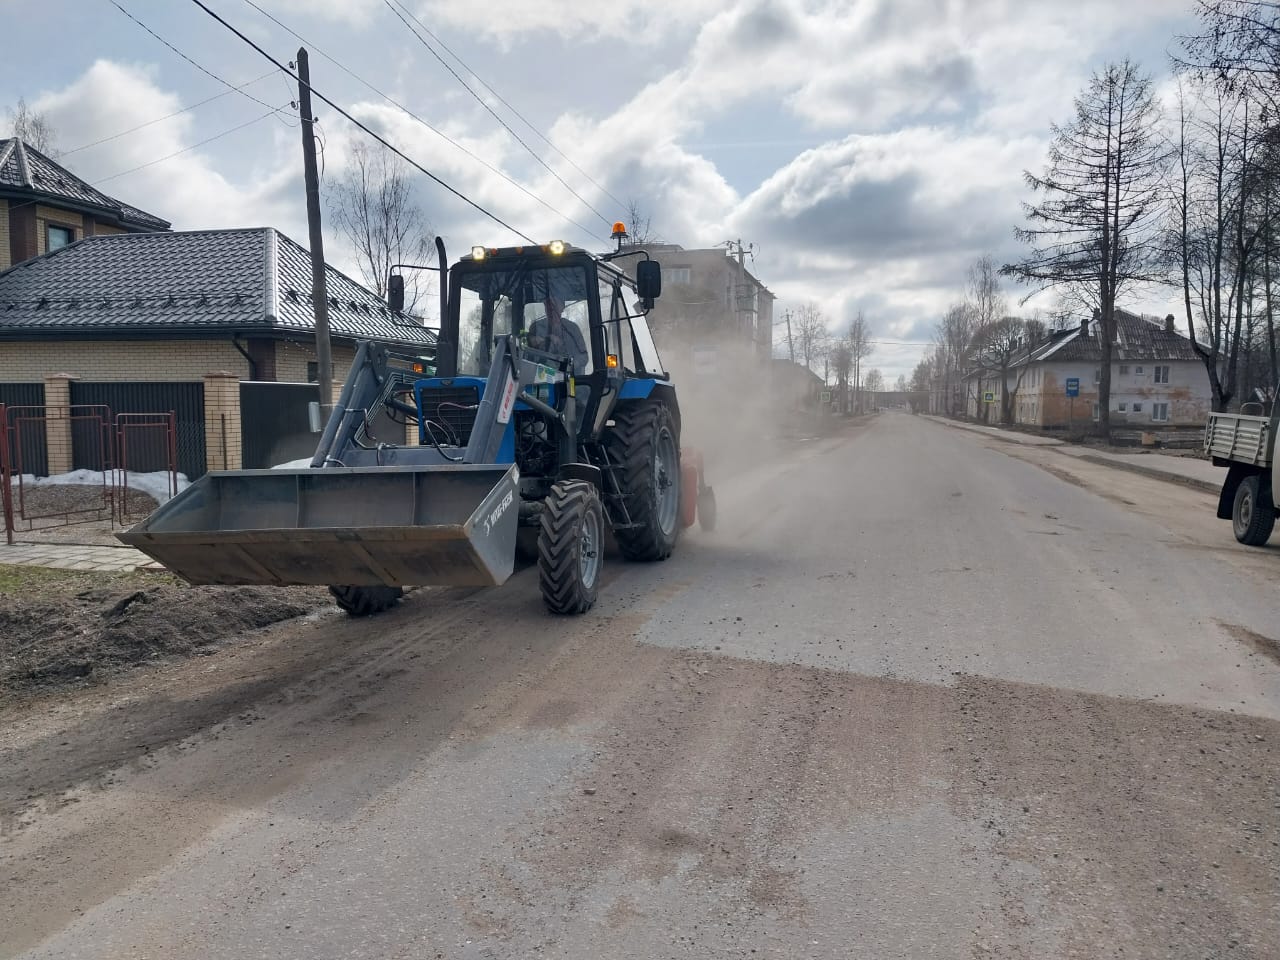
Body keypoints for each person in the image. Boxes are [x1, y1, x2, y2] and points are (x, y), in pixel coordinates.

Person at [528, 295, 589, 372]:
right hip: (543, 377)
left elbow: (584, 357)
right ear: (545, 307)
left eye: (555, 306)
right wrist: (541, 343)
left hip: (571, 379)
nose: (551, 309)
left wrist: (569, 365)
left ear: (562, 307)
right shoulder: (536, 327)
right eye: (548, 306)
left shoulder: (572, 329)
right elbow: (529, 355)